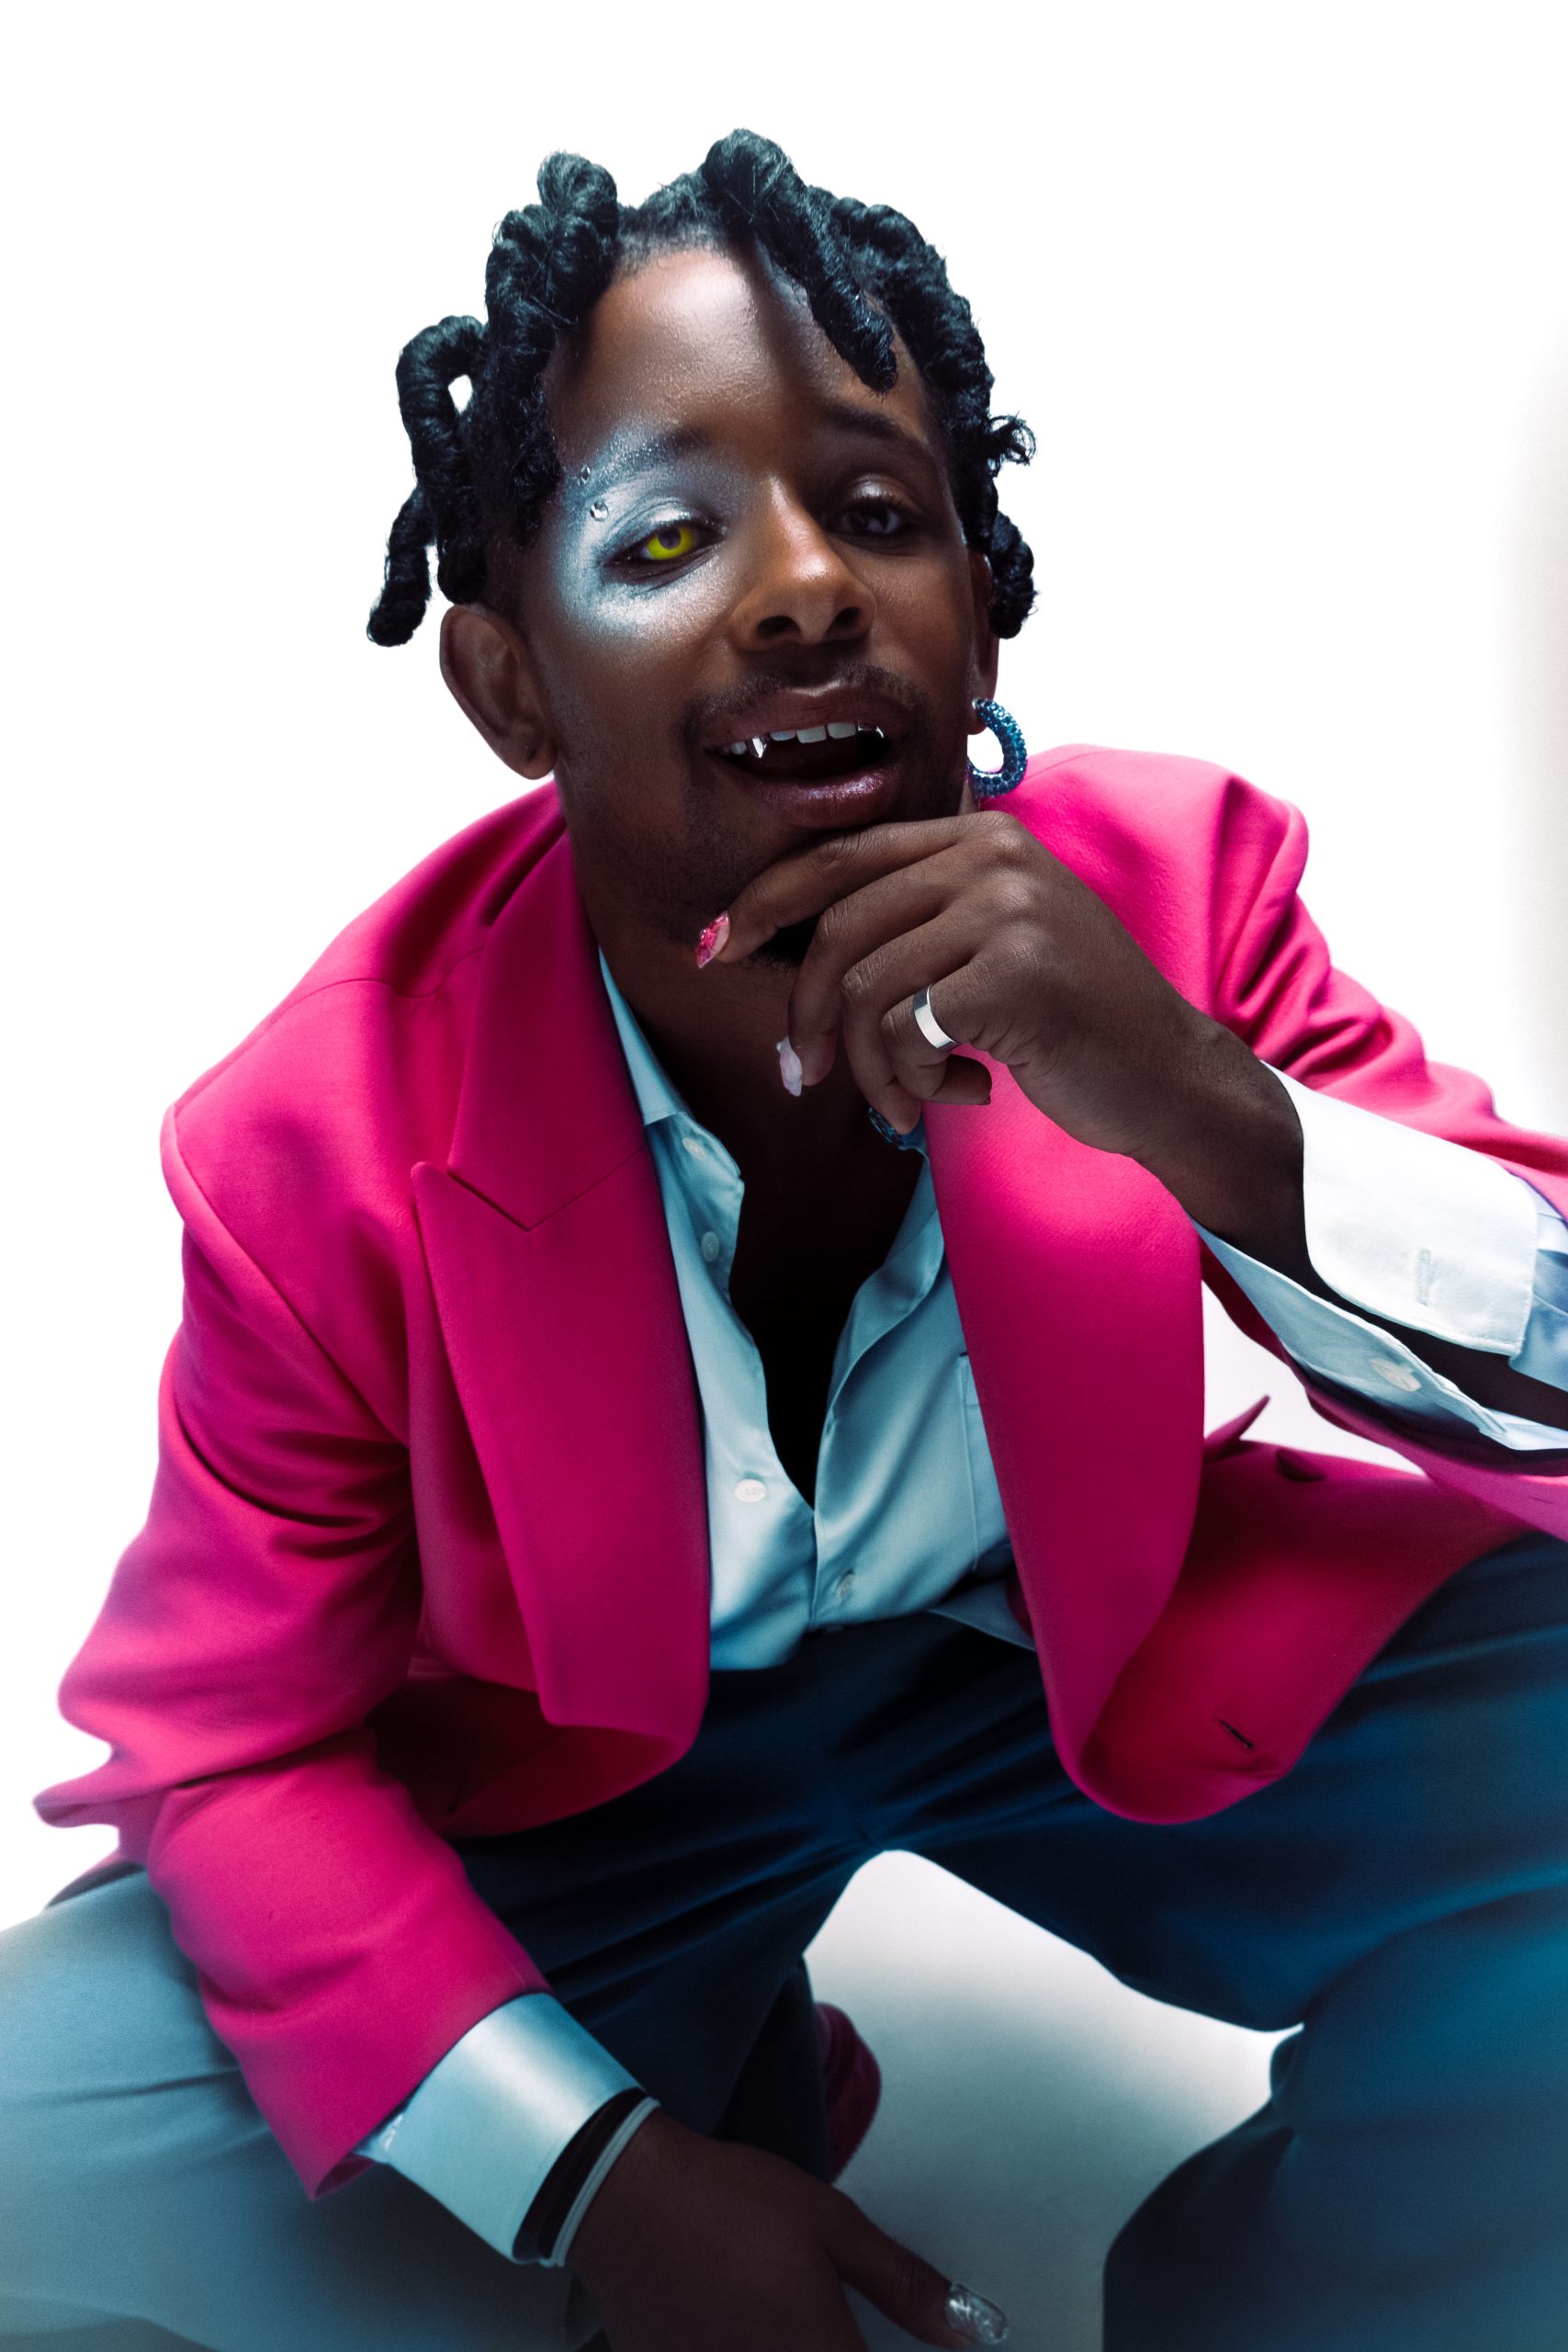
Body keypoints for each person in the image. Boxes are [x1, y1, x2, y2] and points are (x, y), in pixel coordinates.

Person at [3, 128, 1567, 2352]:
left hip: (1050, 1657)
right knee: (27, 2135)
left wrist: (1207, 1111)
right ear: (511, 687)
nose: (802, 588)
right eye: (662, 534)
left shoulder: (1181, 889)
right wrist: (595, 2181)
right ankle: (699, 2067)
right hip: (578, 1772)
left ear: (983, 600)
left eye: (877, 511)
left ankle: (1284, 2294)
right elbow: (223, 1751)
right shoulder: (315, 1143)